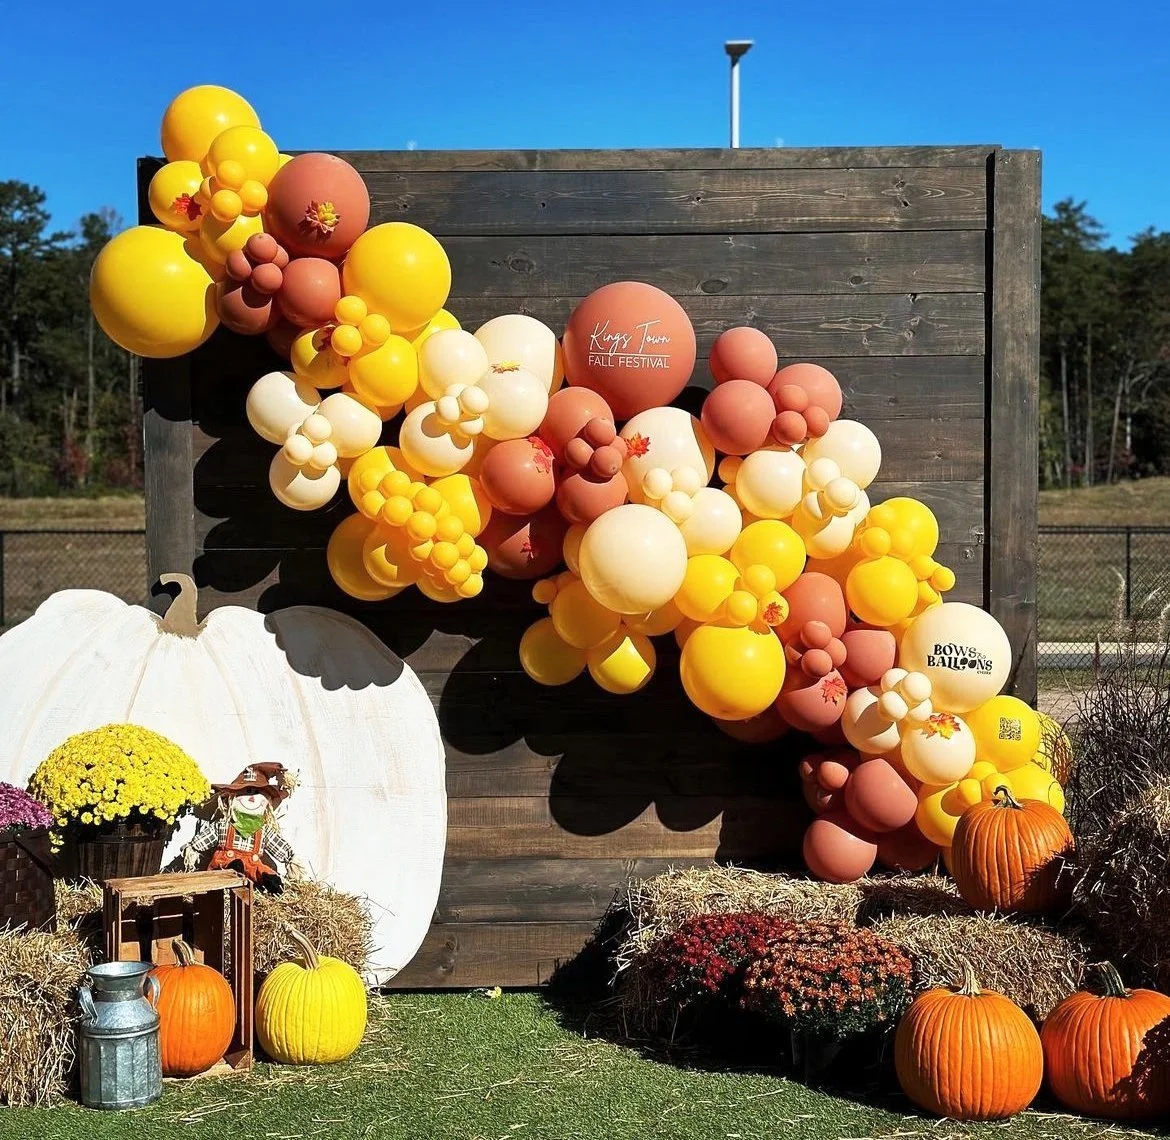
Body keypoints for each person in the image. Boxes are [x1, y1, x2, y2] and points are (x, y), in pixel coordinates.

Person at [183, 762, 298, 893]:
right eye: (247, 791)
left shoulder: (264, 830)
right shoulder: (224, 824)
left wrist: (290, 859)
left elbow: (276, 844)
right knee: (228, 869)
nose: (252, 798)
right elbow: (206, 837)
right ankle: (233, 873)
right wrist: (193, 849)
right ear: (233, 797)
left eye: (257, 792)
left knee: (264, 873)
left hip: (253, 866)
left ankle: (271, 884)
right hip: (224, 862)